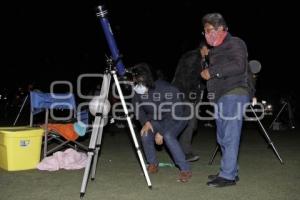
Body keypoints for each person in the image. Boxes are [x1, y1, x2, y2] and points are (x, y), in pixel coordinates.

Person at [200, 13, 250, 187]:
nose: (206, 34)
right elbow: (211, 77)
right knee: (222, 137)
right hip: (221, 97)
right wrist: (206, 61)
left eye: (208, 30)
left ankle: (227, 176)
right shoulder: (215, 50)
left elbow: (239, 66)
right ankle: (230, 171)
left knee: (229, 136)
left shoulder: (235, 42)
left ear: (221, 28)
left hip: (234, 93)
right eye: (204, 31)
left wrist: (213, 72)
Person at [131, 63, 192, 183]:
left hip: (178, 117)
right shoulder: (137, 90)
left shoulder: (166, 89)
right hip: (156, 118)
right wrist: (146, 122)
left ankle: (185, 169)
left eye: (136, 78)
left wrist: (162, 132)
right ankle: (152, 164)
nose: (134, 82)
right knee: (145, 133)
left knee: (169, 136)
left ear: (145, 78)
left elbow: (176, 112)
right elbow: (137, 107)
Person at [172, 41, 209, 162]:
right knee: (188, 123)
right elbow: (188, 76)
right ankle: (184, 152)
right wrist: (193, 95)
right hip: (184, 95)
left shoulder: (202, 60)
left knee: (190, 124)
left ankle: (180, 149)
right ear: (203, 48)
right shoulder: (193, 56)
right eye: (210, 49)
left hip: (189, 95)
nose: (212, 52)